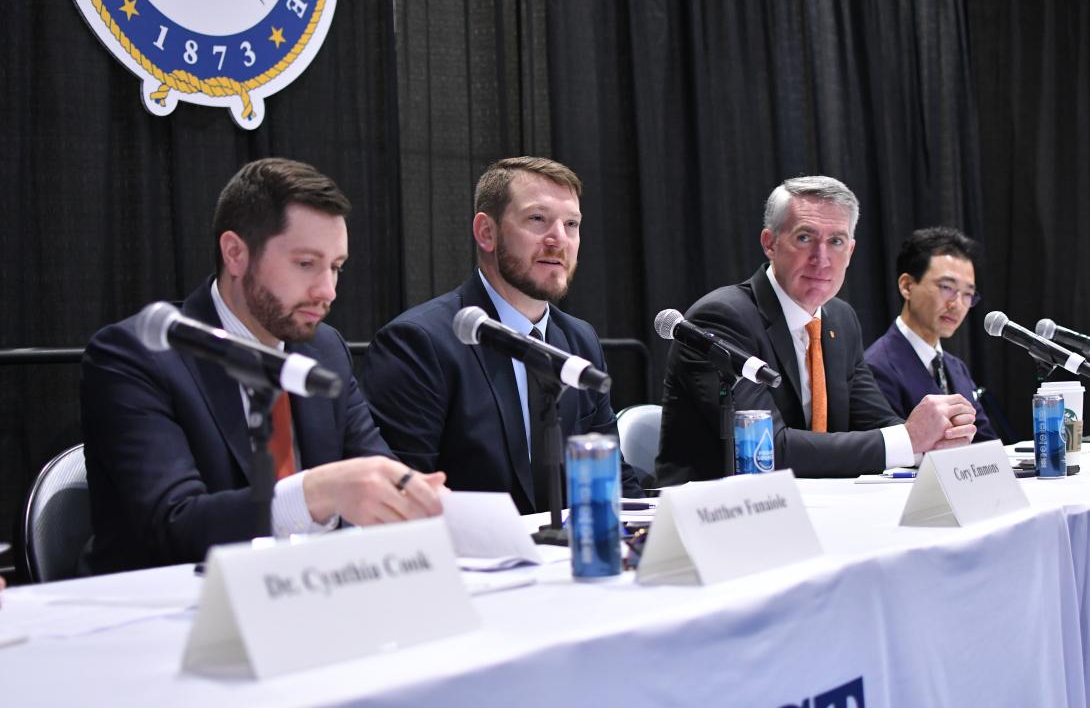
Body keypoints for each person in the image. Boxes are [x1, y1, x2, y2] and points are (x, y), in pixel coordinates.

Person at [81, 158, 444, 575]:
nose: (327, 290)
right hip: (170, 616)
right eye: (306, 263)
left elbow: (380, 475)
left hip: (317, 598)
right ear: (235, 253)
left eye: (336, 267)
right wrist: (316, 493)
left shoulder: (323, 349)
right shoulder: (136, 355)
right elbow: (172, 526)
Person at [363, 156, 643, 514]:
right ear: (486, 233)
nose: (558, 239)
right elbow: (405, 495)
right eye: (537, 219)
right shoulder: (418, 343)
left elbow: (613, 477)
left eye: (571, 224)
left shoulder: (579, 340)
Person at [656, 176, 978, 484]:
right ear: (769, 243)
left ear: (850, 252)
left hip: (817, 505)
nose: (821, 259)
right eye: (804, 238)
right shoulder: (723, 318)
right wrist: (908, 440)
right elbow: (768, 450)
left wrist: (934, 440)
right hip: (718, 514)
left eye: (836, 241)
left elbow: (877, 422)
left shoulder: (840, 319)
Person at [864, 228, 998, 441]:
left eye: (968, 294)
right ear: (907, 286)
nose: (957, 305)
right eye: (946, 287)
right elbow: (891, 452)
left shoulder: (956, 368)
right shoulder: (875, 367)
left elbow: (986, 442)